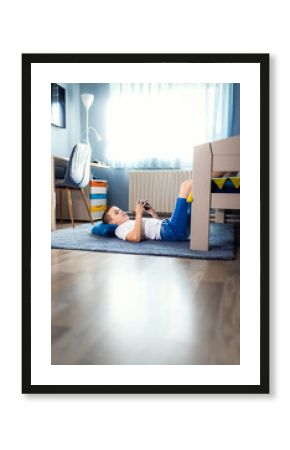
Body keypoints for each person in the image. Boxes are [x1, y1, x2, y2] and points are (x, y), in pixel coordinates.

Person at [102, 180, 192, 243]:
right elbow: (135, 237)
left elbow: (158, 226)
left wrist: (152, 212)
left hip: (171, 228)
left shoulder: (131, 222)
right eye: (117, 213)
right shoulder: (119, 230)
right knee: (186, 186)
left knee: (191, 196)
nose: (121, 212)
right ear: (112, 222)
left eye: (120, 210)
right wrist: (138, 214)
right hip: (172, 230)